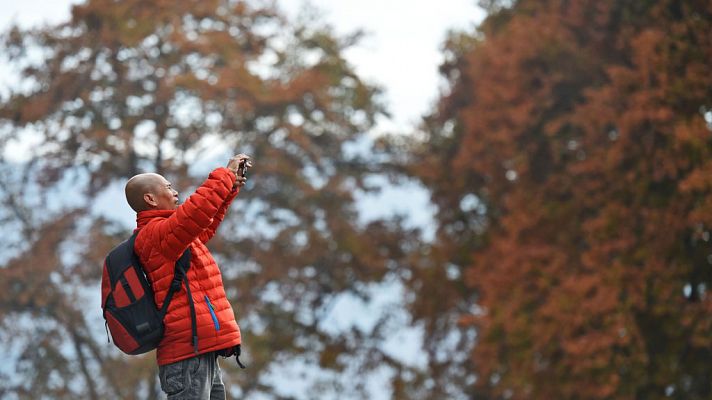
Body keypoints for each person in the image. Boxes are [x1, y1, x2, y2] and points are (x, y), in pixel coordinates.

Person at [124, 154, 252, 400]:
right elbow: (195, 213)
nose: (175, 191)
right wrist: (224, 176)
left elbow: (202, 225)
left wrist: (227, 191)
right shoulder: (155, 235)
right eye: (168, 187)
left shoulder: (171, 234)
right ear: (150, 199)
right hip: (185, 354)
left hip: (198, 348)